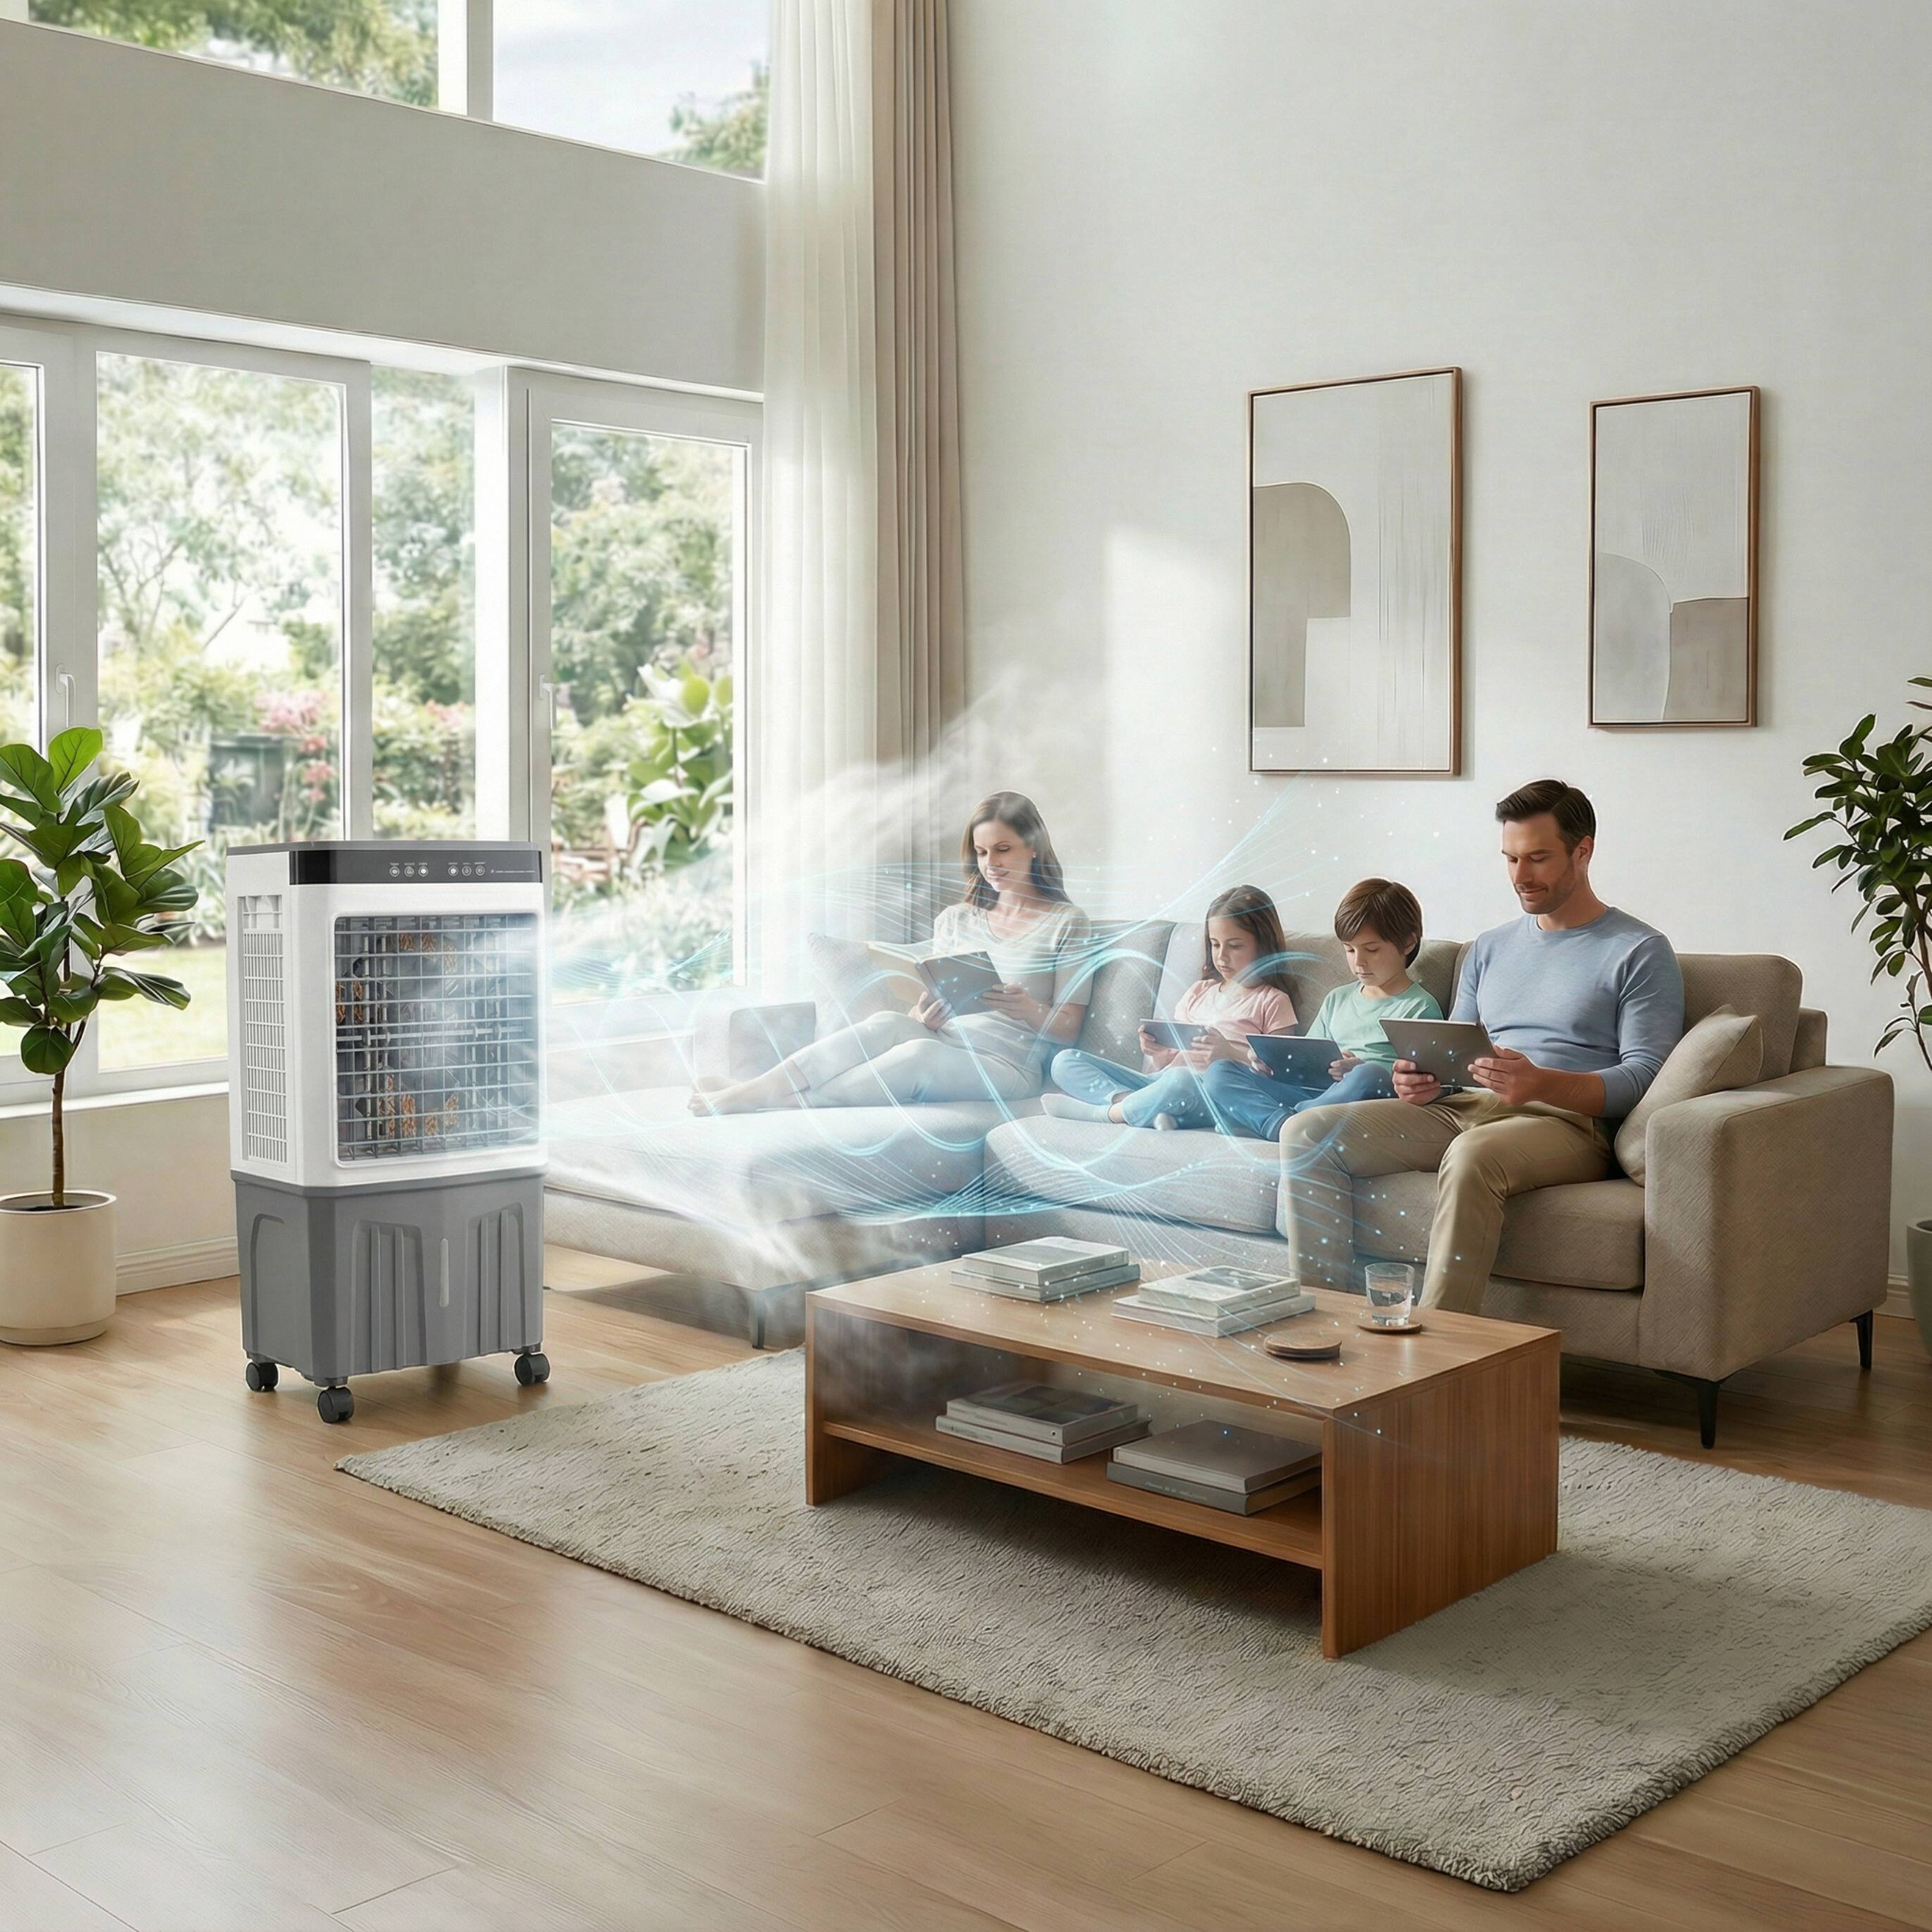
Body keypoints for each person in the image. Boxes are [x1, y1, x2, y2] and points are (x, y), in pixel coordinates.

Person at [1279, 779, 1684, 1314]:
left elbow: (1643, 1076)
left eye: (1537, 858)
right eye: (1510, 858)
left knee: (1472, 1156)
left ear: (1582, 851)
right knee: (1307, 1132)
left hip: (1565, 1123)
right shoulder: (1489, 947)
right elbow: (1451, 1049)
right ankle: (1322, 1321)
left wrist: (1542, 1082)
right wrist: (1421, 1079)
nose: (1520, 876)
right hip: (1464, 1107)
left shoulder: (1639, 950)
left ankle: (1439, 1345)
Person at [692, 791, 1090, 1111]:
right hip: (947, 1039)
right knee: (886, 1022)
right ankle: (759, 1087)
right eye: (982, 853)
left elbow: (1070, 1026)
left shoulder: (1067, 922)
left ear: (1033, 847)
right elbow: (929, 998)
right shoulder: (956, 920)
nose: (991, 864)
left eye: (1003, 849)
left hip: (1008, 1065)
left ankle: (770, 1100)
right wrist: (924, 1015)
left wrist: (1027, 1009)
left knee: (918, 1054)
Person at [1197, 878, 1442, 1141]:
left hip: (1365, 1100)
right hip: (1313, 1095)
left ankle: (1287, 1120)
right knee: (1219, 1072)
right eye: (1349, 950)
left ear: (1408, 943)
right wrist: (1271, 1063)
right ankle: (1281, 1125)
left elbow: (1423, 1083)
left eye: (1371, 950)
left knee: (1368, 1074)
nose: (1359, 962)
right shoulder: (1337, 999)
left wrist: (1358, 1069)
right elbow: (1304, 1059)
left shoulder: (1420, 1007)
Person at [1042, 884, 1297, 1130]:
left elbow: (1282, 1077)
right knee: (1064, 1061)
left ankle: (1106, 1114)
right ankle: (1133, 1103)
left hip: (1210, 1094)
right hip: (1163, 1083)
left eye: (1235, 946)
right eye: (1215, 944)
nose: (1221, 956)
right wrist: (1157, 1050)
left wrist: (1229, 1053)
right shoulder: (1199, 991)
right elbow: (1167, 1063)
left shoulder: (1272, 1001)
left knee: (1182, 1080)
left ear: (1263, 944)